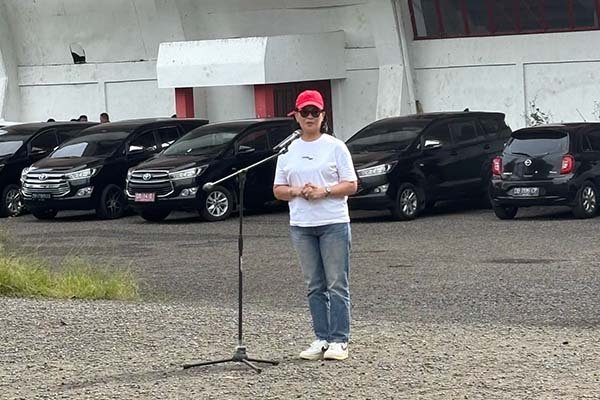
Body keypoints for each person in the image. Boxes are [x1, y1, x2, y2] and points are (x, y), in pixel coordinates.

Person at [273, 90, 358, 361]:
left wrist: (325, 191)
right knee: (314, 285)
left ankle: (339, 339)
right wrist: (297, 191)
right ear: (296, 116)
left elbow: (351, 184)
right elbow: (278, 189)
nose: (310, 117)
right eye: (305, 112)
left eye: (315, 112)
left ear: (323, 116)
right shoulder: (287, 150)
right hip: (301, 225)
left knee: (337, 283)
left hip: (333, 222)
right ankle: (321, 337)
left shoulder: (336, 147)